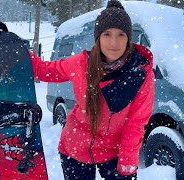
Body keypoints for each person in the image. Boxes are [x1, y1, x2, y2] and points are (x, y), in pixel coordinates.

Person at [31, 0, 154, 179]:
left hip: (114, 150)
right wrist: (12, 47)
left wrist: (127, 161)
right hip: (75, 147)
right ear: (98, 37)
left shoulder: (140, 72)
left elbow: (136, 122)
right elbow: (45, 71)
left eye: (121, 34)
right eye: (107, 34)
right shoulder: (81, 64)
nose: (114, 42)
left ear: (129, 38)